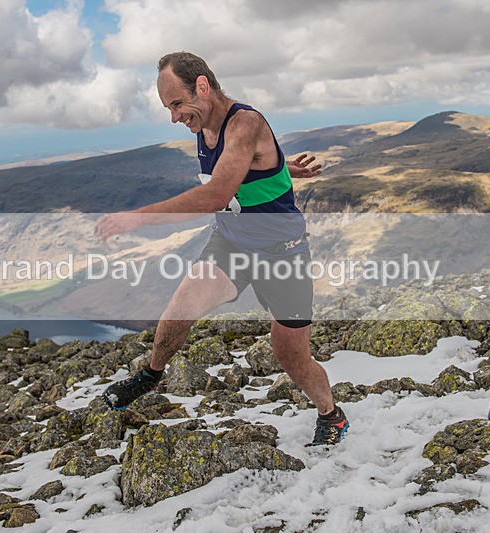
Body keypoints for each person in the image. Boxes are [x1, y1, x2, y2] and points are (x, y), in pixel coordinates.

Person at [95, 51, 348, 447]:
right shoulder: (204, 126)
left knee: (291, 356)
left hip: (282, 254)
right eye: (168, 108)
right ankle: (150, 375)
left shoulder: (245, 122)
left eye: (177, 104)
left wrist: (138, 218)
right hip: (231, 244)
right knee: (182, 304)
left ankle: (331, 415)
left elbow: (216, 194)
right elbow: (246, 164)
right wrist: (280, 168)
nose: (175, 117)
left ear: (202, 86)